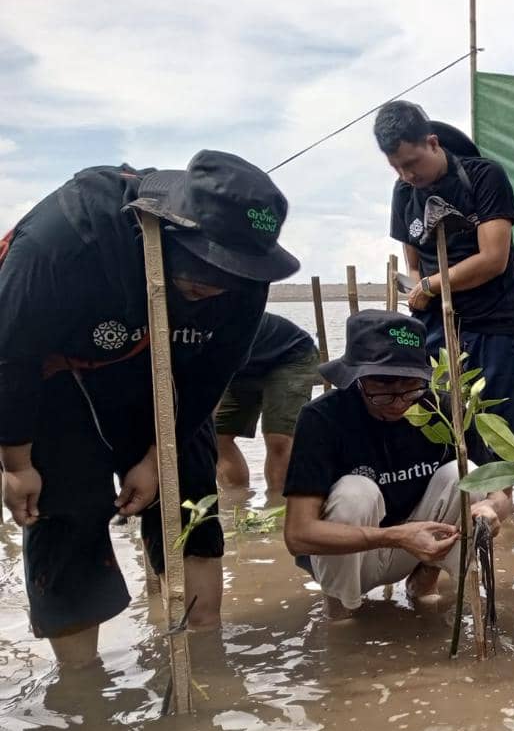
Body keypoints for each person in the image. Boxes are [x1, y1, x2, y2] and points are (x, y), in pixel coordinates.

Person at [0, 151, 299, 666]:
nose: (218, 285)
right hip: (59, 382)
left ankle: (200, 655)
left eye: (234, 273)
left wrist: (160, 452)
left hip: (171, 378)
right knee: (66, 516)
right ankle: (83, 687)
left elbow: (212, 374)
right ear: (164, 225)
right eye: (206, 267)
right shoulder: (65, 238)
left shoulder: (245, 278)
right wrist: (17, 463)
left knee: (189, 504)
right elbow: (10, 356)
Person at [282, 310, 511, 621]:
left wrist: (493, 509)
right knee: (355, 492)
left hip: (419, 547)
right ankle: (341, 609)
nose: (399, 402)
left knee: (463, 474)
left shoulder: (443, 409)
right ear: (357, 379)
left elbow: (500, 489)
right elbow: (298, 534)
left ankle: (423, 583)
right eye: (383, 389)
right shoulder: (321, 419)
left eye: (411, 387)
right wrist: (397, 536)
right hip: (352, 555)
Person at [374, 101, 514, 443]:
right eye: (397, 168)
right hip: (437, 327)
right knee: (439, 425)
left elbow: (493, 259)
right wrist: (421, 289)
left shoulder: (484, 176)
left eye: (412, 163)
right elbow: (414, 265)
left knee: (499, 433)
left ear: (432, 143)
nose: (407, 175)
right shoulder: (403, 192)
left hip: (494, 323)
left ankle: (497, 497)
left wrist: (431, 285)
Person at [216, 313, 320, 494]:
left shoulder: (218, 316)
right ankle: (237, 503)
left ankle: (279, 506)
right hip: (242, 368)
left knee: (278, 438)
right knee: (217, 436)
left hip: (290, 355)